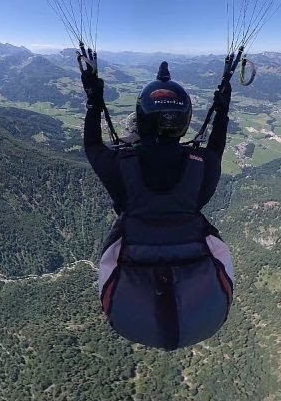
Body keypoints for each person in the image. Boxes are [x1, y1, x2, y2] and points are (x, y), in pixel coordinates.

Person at [80, 53, 236, 350]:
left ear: (141, 118)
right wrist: (222, 110)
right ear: (184, 121)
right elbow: (216, 148)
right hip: (204, 308)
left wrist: (93, 101)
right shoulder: (203, 166)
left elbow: (92, 145)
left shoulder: (120, 166)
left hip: (131, 304)